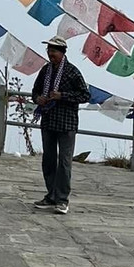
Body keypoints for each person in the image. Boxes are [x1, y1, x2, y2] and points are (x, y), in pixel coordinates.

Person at [31, 36, 90, 215]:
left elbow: (85, 96)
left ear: (62, 53)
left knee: (64, 162)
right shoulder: (45, 71)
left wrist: (62, 96)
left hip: (67, 123)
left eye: (54, 51)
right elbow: (36, 91)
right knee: (48, 160)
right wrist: (38, 99)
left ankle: (62, 199)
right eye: (49, 50)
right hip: (48, 120)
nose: (50, 54)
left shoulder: (72, 72)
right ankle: (51, 195)